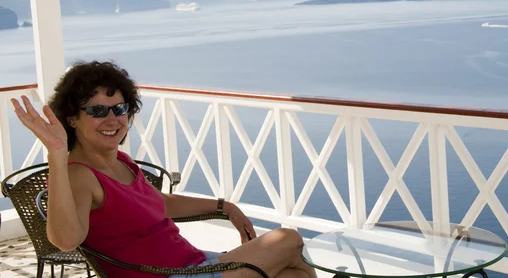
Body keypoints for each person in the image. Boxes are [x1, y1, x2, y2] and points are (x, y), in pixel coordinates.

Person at [11, 60, 318, 278]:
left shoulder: (120, 161)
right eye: (97, 111)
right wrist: (56, 153)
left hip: (193, 263)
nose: (112, 119)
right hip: (169, 275)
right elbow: (65, 240)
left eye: (119, 108)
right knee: (287, 239)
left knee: (295, 275)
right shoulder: (79, 175)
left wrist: (225, 207)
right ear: (72, 119)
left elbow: (159, 203)